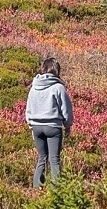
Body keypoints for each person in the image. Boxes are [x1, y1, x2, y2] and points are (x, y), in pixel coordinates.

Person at [25, 57, 73, 189]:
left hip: (36, 127)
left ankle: (36, 189)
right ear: (56, 70)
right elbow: (66, 110)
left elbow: (28, 108)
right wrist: (68, 125)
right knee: (54, 160)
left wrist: (31, 126)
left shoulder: (34, 87)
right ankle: (56, 191)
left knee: (41, 158)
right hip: (53, 127)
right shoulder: (58, 87)